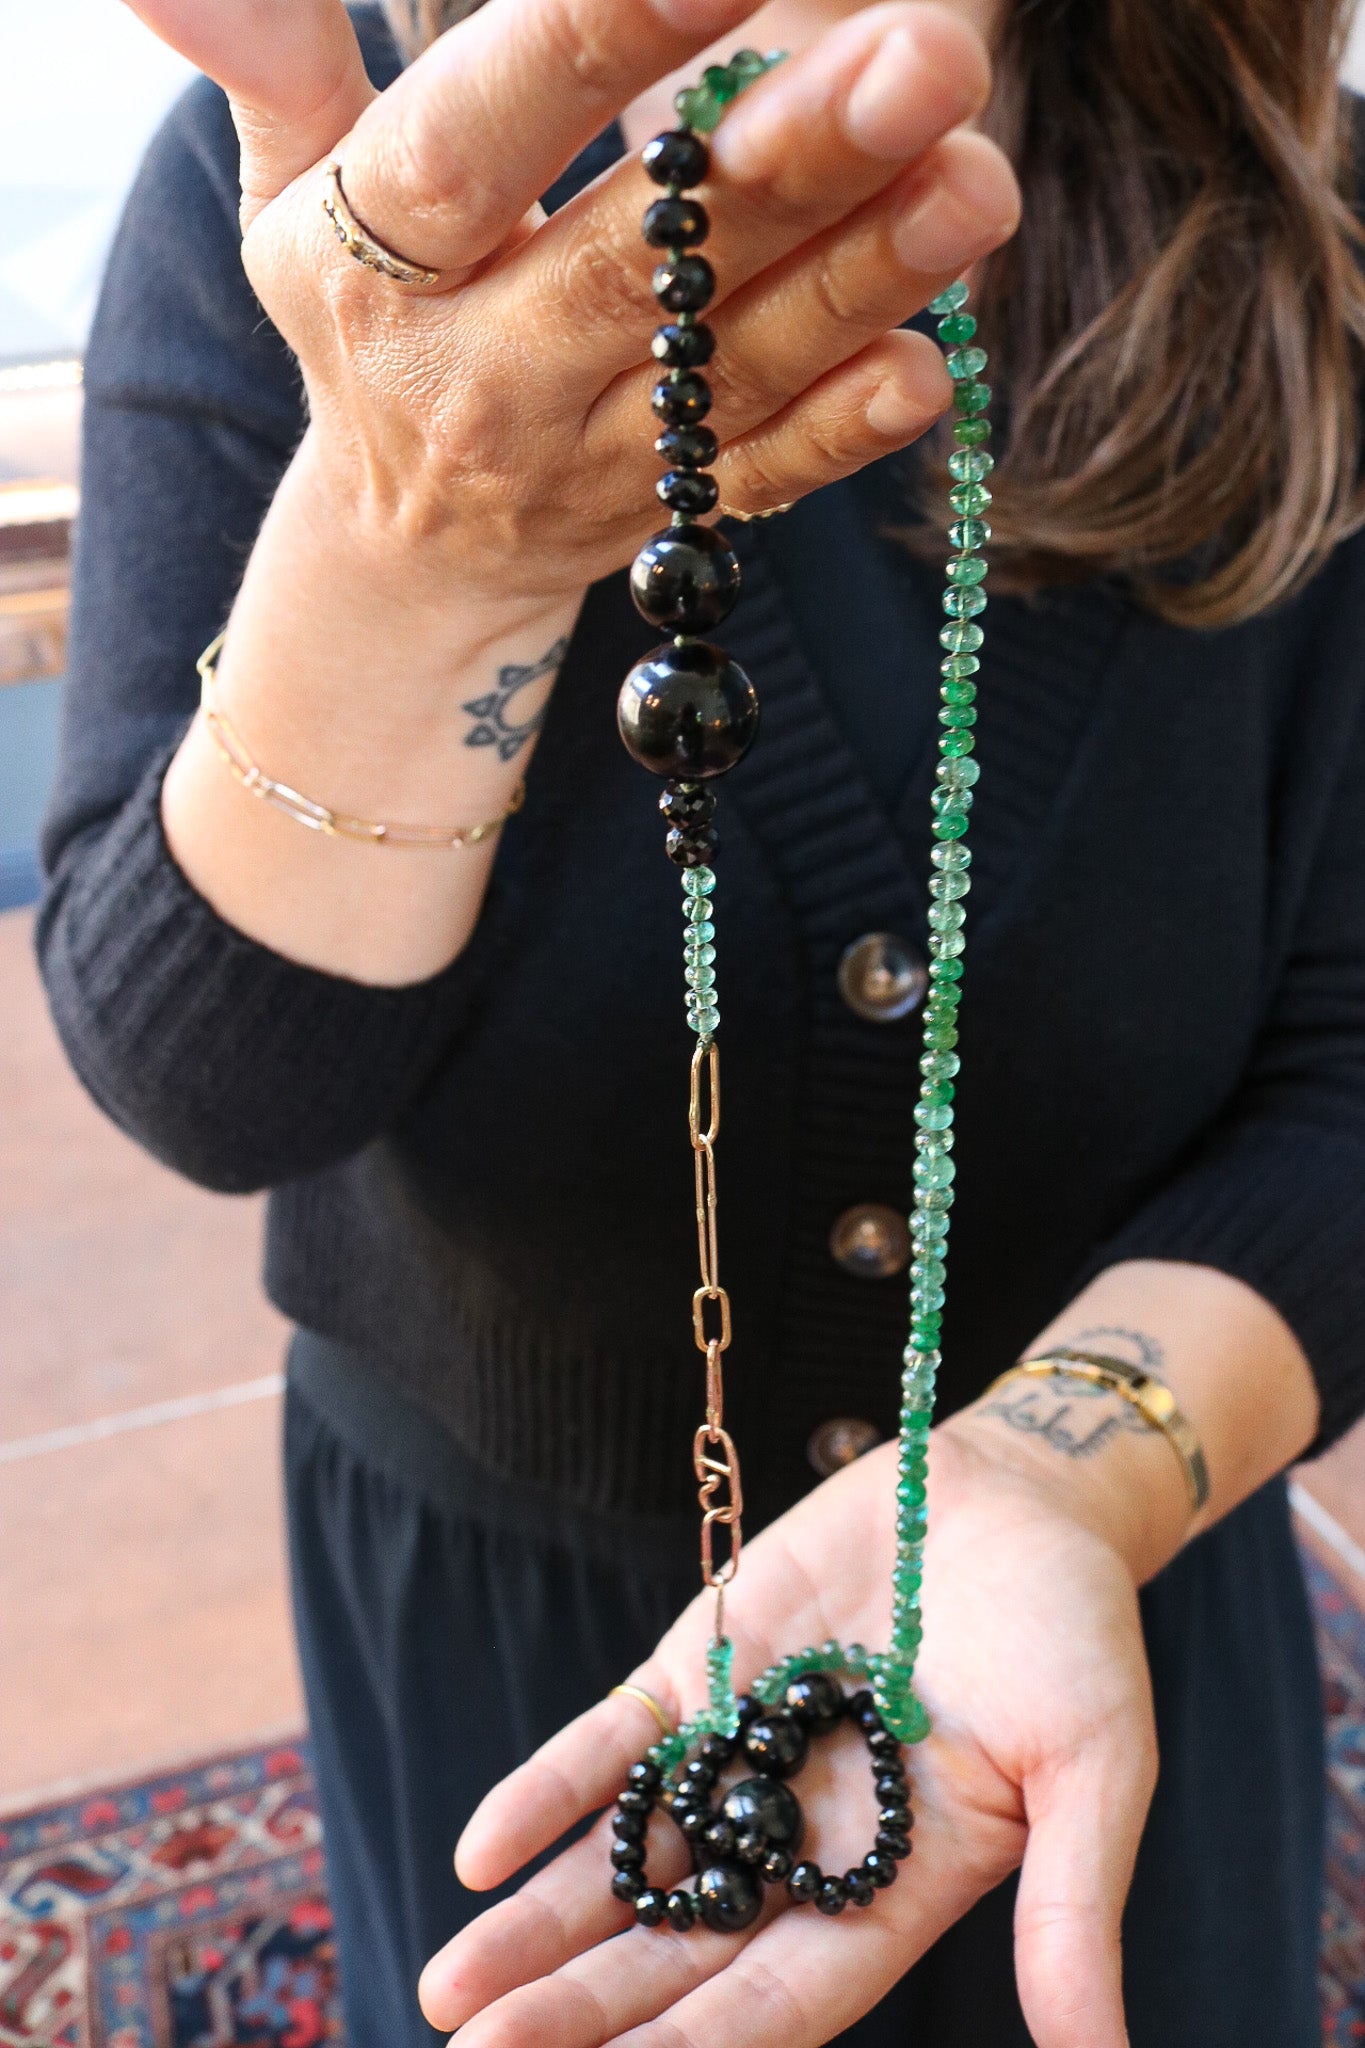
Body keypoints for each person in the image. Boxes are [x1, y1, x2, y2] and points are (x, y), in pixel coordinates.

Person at [37, 0, 1365, 2039]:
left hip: (1111, 1594)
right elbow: (220, 1077)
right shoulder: (338, 196)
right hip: (507, 1626)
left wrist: (1056, 1477)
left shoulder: (1306, 234)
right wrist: (415, 558)